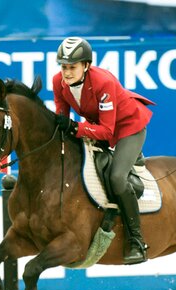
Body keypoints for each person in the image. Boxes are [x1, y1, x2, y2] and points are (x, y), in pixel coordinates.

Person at [52, 36, 156, 264]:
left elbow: (108, 132)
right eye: (63, 67)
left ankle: (136, 241)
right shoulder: (58, 81)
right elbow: (62, 117)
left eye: (72, 67)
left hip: (128, 127)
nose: (66, 73)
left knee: (117, 177)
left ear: (86, 65)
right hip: (96, 125)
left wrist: (76, 127)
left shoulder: (103, 82)